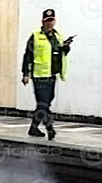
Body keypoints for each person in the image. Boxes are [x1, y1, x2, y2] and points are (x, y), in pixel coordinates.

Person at [21, 8, 73, 140]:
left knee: (46, 103)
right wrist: (25, 73)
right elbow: (28, 55)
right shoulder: (35, 36)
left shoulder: (58, 36)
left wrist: (66, 47)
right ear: (42, 22)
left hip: (52, 74)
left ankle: (33, 128)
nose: (49, 23)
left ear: (54, 21)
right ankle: (50, 128)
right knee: (43, 103)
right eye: (47, 21)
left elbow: (61, 53)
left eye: (51, 20)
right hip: (39, 75)